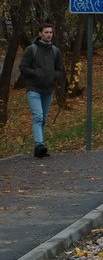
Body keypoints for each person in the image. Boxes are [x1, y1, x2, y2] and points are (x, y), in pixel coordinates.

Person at [19, 23, 64, 158]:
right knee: (38, 116)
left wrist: (53, 76)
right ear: (40, 34)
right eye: (46, 32)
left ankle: (40, 148)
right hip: (34, 88)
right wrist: (36, 73)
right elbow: (23, 67)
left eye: (50, 32)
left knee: (43, 118)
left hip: (48, 89)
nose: (49, 35)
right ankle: (39, 144)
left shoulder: (55, 51)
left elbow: (60, 70)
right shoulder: (31, 49)